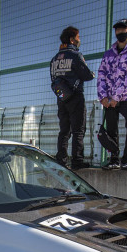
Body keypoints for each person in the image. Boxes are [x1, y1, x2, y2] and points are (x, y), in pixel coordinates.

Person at [97, 18, 127, 171]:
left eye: (123, 29)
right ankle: (114, 159)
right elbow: (101, 74)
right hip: (109, 99)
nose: (120, 32)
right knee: (111, 128)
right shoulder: (108, 54)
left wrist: (116, 97)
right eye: (117, 29)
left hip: (126, 97)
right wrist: (103, 97)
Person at [50, 25, 95, 170]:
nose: (79, 40)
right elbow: (86, 75)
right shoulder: (75, 55)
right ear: (71, 39)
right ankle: (77, 160)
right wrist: (92, 74)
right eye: (78, 37)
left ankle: (61, 160)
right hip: (75, 96)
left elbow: (53, 78)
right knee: (78, 129)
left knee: (64, 130)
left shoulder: (54, 59)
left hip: (61, 97)